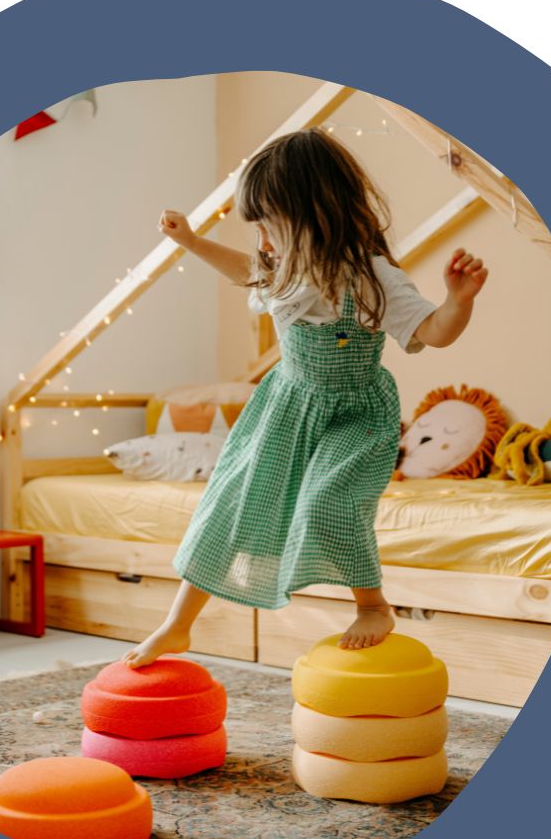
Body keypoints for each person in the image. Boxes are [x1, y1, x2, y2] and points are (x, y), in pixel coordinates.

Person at [121, 127, 488, 668]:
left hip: (355, 413)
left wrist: (459, 300)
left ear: (315, 213)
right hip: (286, 407)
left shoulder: (370, 276)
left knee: (330, 502)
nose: (263, 242)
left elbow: (431, 331)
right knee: (228, 504)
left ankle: (374, 605)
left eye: (270, 226)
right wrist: (193, 242)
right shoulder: (281, 268)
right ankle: (177, 626)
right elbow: (245, 271)